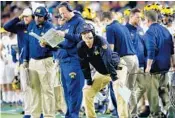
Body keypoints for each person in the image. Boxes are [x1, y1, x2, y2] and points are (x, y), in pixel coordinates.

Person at [77, 23, 121, 118]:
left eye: (88, 32)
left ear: (93, 33)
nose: (86, 35)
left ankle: (127, 114)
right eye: (83, 33)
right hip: (102, 72)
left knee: (121, 92)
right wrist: (88, 81)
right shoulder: (80, 47)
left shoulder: (101, 41)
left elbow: (107, 60)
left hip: (117, 69)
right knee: (87, 91)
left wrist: (115, 78)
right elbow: (84, 65)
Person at [103, 11, 139, 118]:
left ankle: (123, 115)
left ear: (106, 20)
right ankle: (133, 114)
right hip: (134, 59)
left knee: (120, 89)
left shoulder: (109, 28)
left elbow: (111, 49)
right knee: (130, 89)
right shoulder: (123, 27)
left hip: (124, 60)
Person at [23, 6, 55, 118]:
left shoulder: (50, 27)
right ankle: (35, 115)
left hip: (45, 60)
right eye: (36, 16)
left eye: (40, 16)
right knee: (34, 91)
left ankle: (49, 115)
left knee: (47, 90)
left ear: (45, 16)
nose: (37, 18)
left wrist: (47, 44)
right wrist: (25, 59)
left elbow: (56, 47)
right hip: (32, 62)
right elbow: (26, 43)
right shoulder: (31, 25)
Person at [54, 2, 85, 118]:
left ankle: (74, 115)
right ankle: (69, 114)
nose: (62, 16)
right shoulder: (65, 24)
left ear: (70, 10)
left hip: (74, 60)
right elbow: (62, 43)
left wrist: (65, 35)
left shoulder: (80, 22)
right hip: (63, 61)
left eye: (64, 13)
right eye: (60, 13)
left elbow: (82, 38)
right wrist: (49, 43)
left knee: (74, 91)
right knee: (66, 91)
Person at [3, 8, 34, 118]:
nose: (25, 18)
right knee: (25, 88)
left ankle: (38, 112)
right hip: (23, 62)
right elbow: (6, 26)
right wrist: (19, 17)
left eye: (27, 16)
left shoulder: (36, 26)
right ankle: (28, 112)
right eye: (24, 16)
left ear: (33, 16)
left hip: (35, 61)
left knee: (36, 88)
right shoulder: (20, 26)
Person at [144, 10, 175, 117]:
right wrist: (172, 63)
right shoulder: (166, 31)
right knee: (164, 90)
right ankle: (168, 108)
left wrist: (148, 66)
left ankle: (156, 114)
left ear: (147, 20)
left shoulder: (149, 32)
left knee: (152, 93)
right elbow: (172, 50)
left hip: (154, 67)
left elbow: (151, 50)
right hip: (166, 66)